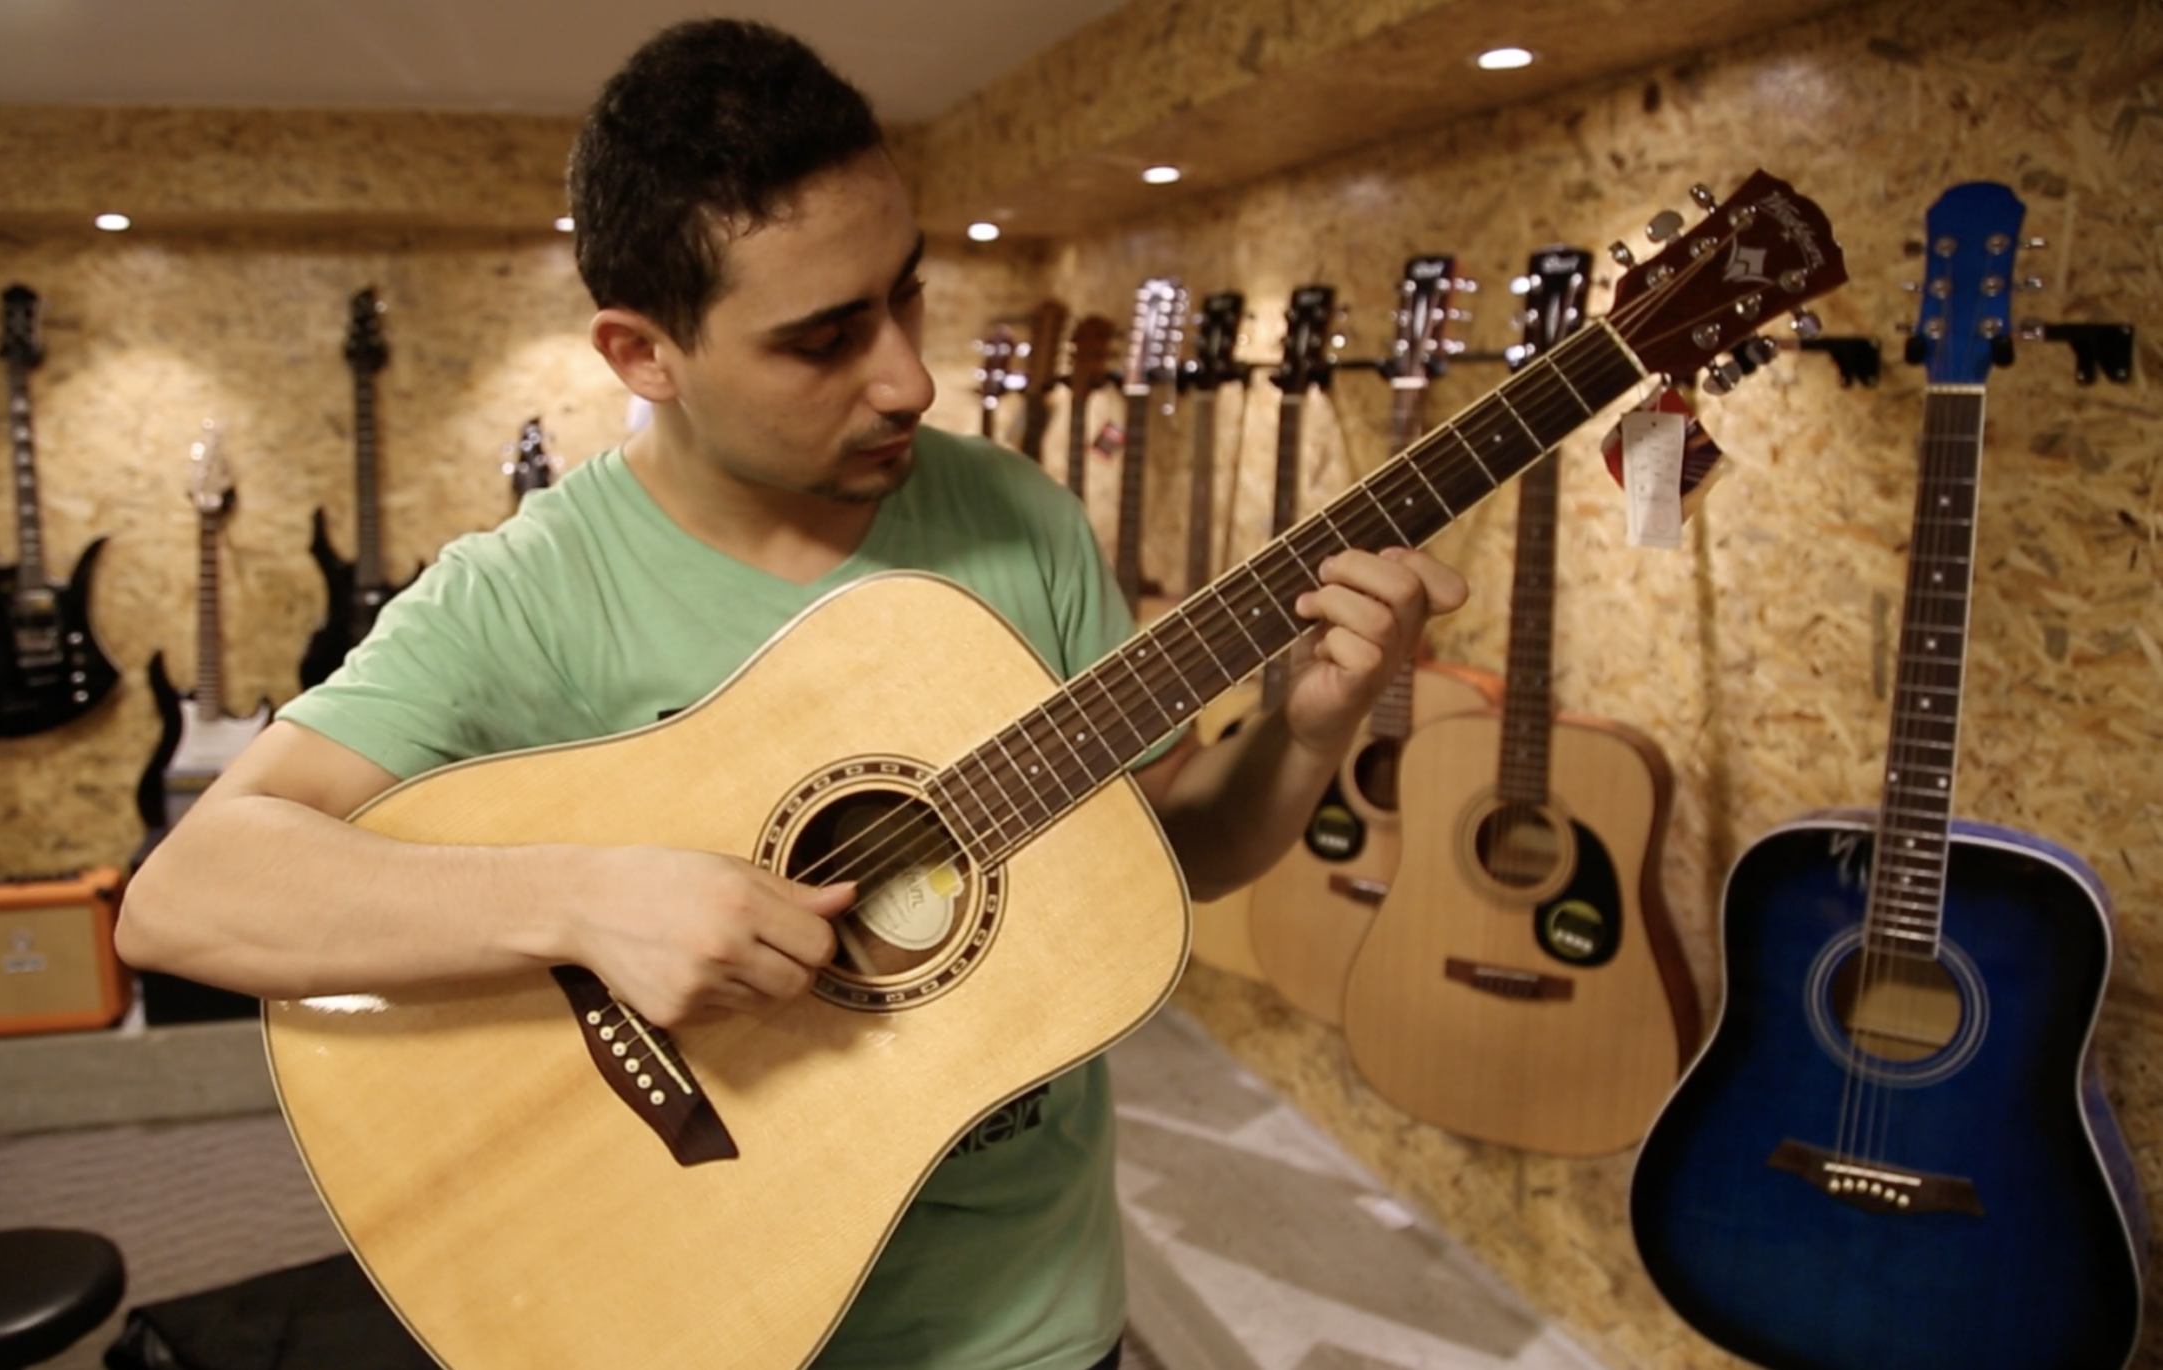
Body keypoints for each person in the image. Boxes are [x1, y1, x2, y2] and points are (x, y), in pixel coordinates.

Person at [120, 18, 1466, 1370]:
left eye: (907, 295)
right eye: (824, 338)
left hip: (1036, 1321)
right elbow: (187, 896)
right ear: (644, 354)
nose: (909, 376)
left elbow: (1158, 854)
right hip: (707, 1308)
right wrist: (589, 899)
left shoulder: (1022, 521)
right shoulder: (521, 595)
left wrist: (1308, 733)